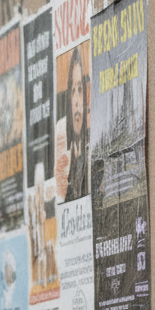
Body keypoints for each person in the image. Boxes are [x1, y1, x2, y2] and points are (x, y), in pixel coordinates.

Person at [64, 46, 88, 202]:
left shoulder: (89, 156)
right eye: (73, 91)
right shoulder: (67, 167)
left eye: (80, 89)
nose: (77, 100)